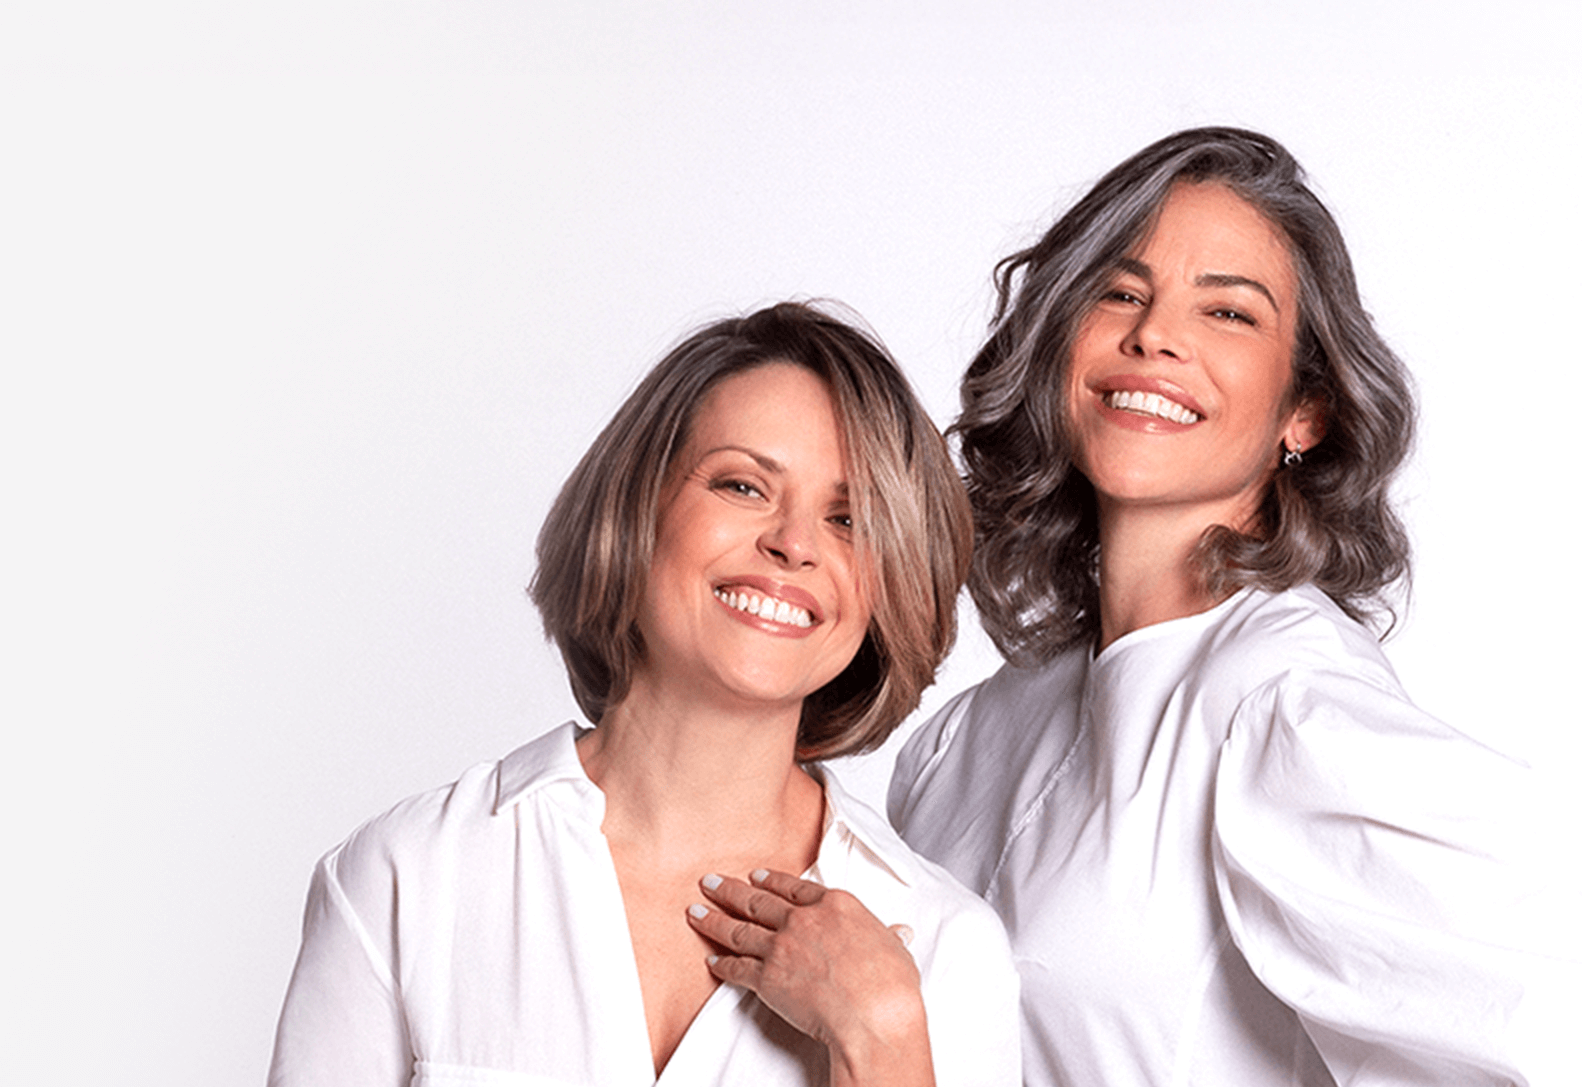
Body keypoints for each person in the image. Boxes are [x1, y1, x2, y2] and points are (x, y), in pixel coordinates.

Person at [727, 126, 1582, 1082]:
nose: (1155, 334)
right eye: (1120, 293)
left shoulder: (1295, 714)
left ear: (1305, 411)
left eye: (1228, 313)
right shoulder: (964, 744)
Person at [267, 303, 1020, 1087]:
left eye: (849, 519)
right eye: (743, 485)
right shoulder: (409, 878)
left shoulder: (942, 950)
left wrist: (887, 1043)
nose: (794, 543)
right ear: (637, 505)